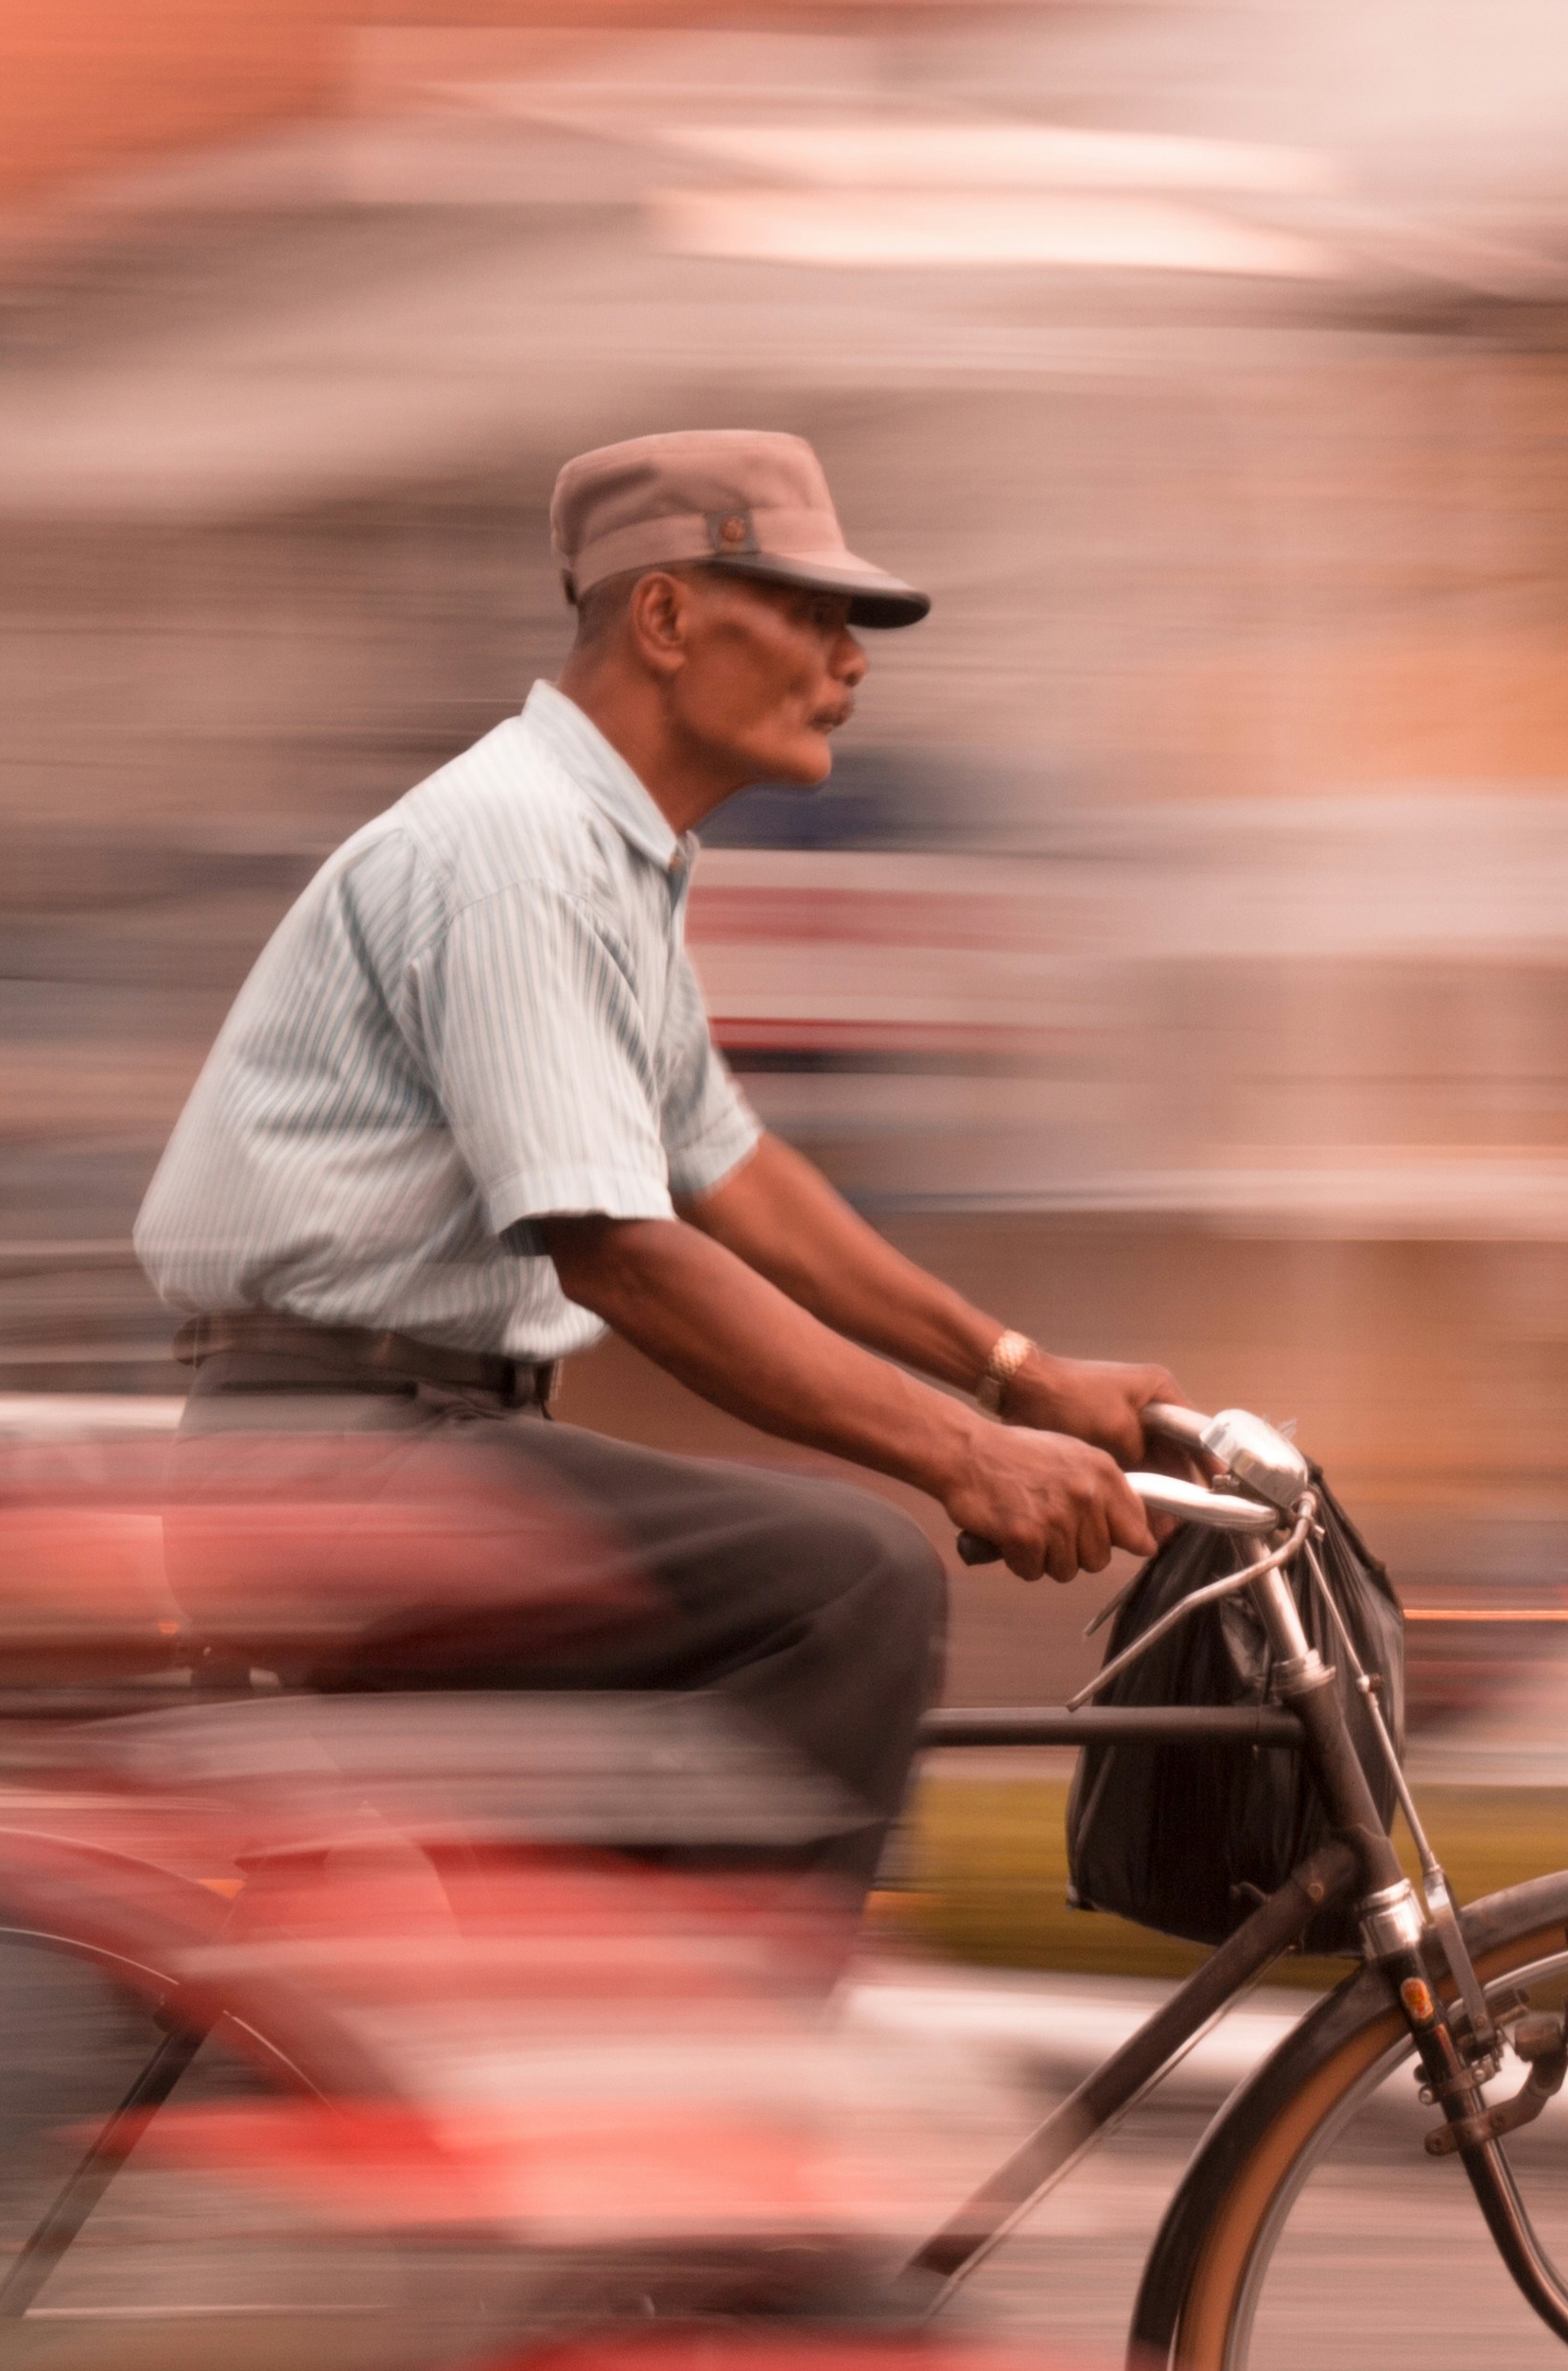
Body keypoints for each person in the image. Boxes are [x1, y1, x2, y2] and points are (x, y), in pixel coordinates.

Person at [135, 430, 1177, 1903]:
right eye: (810, 614)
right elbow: (619, 1251)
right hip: (341, 1470)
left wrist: (1019, 1377)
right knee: (850, 1583)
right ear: (669, 617)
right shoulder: (515, 853)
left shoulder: (605, 857)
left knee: (592, 1881)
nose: (850, 662)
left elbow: (731, 1173)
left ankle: (588, 2027)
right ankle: (722, 2054)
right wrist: (964, 1458)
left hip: (414, 1454)